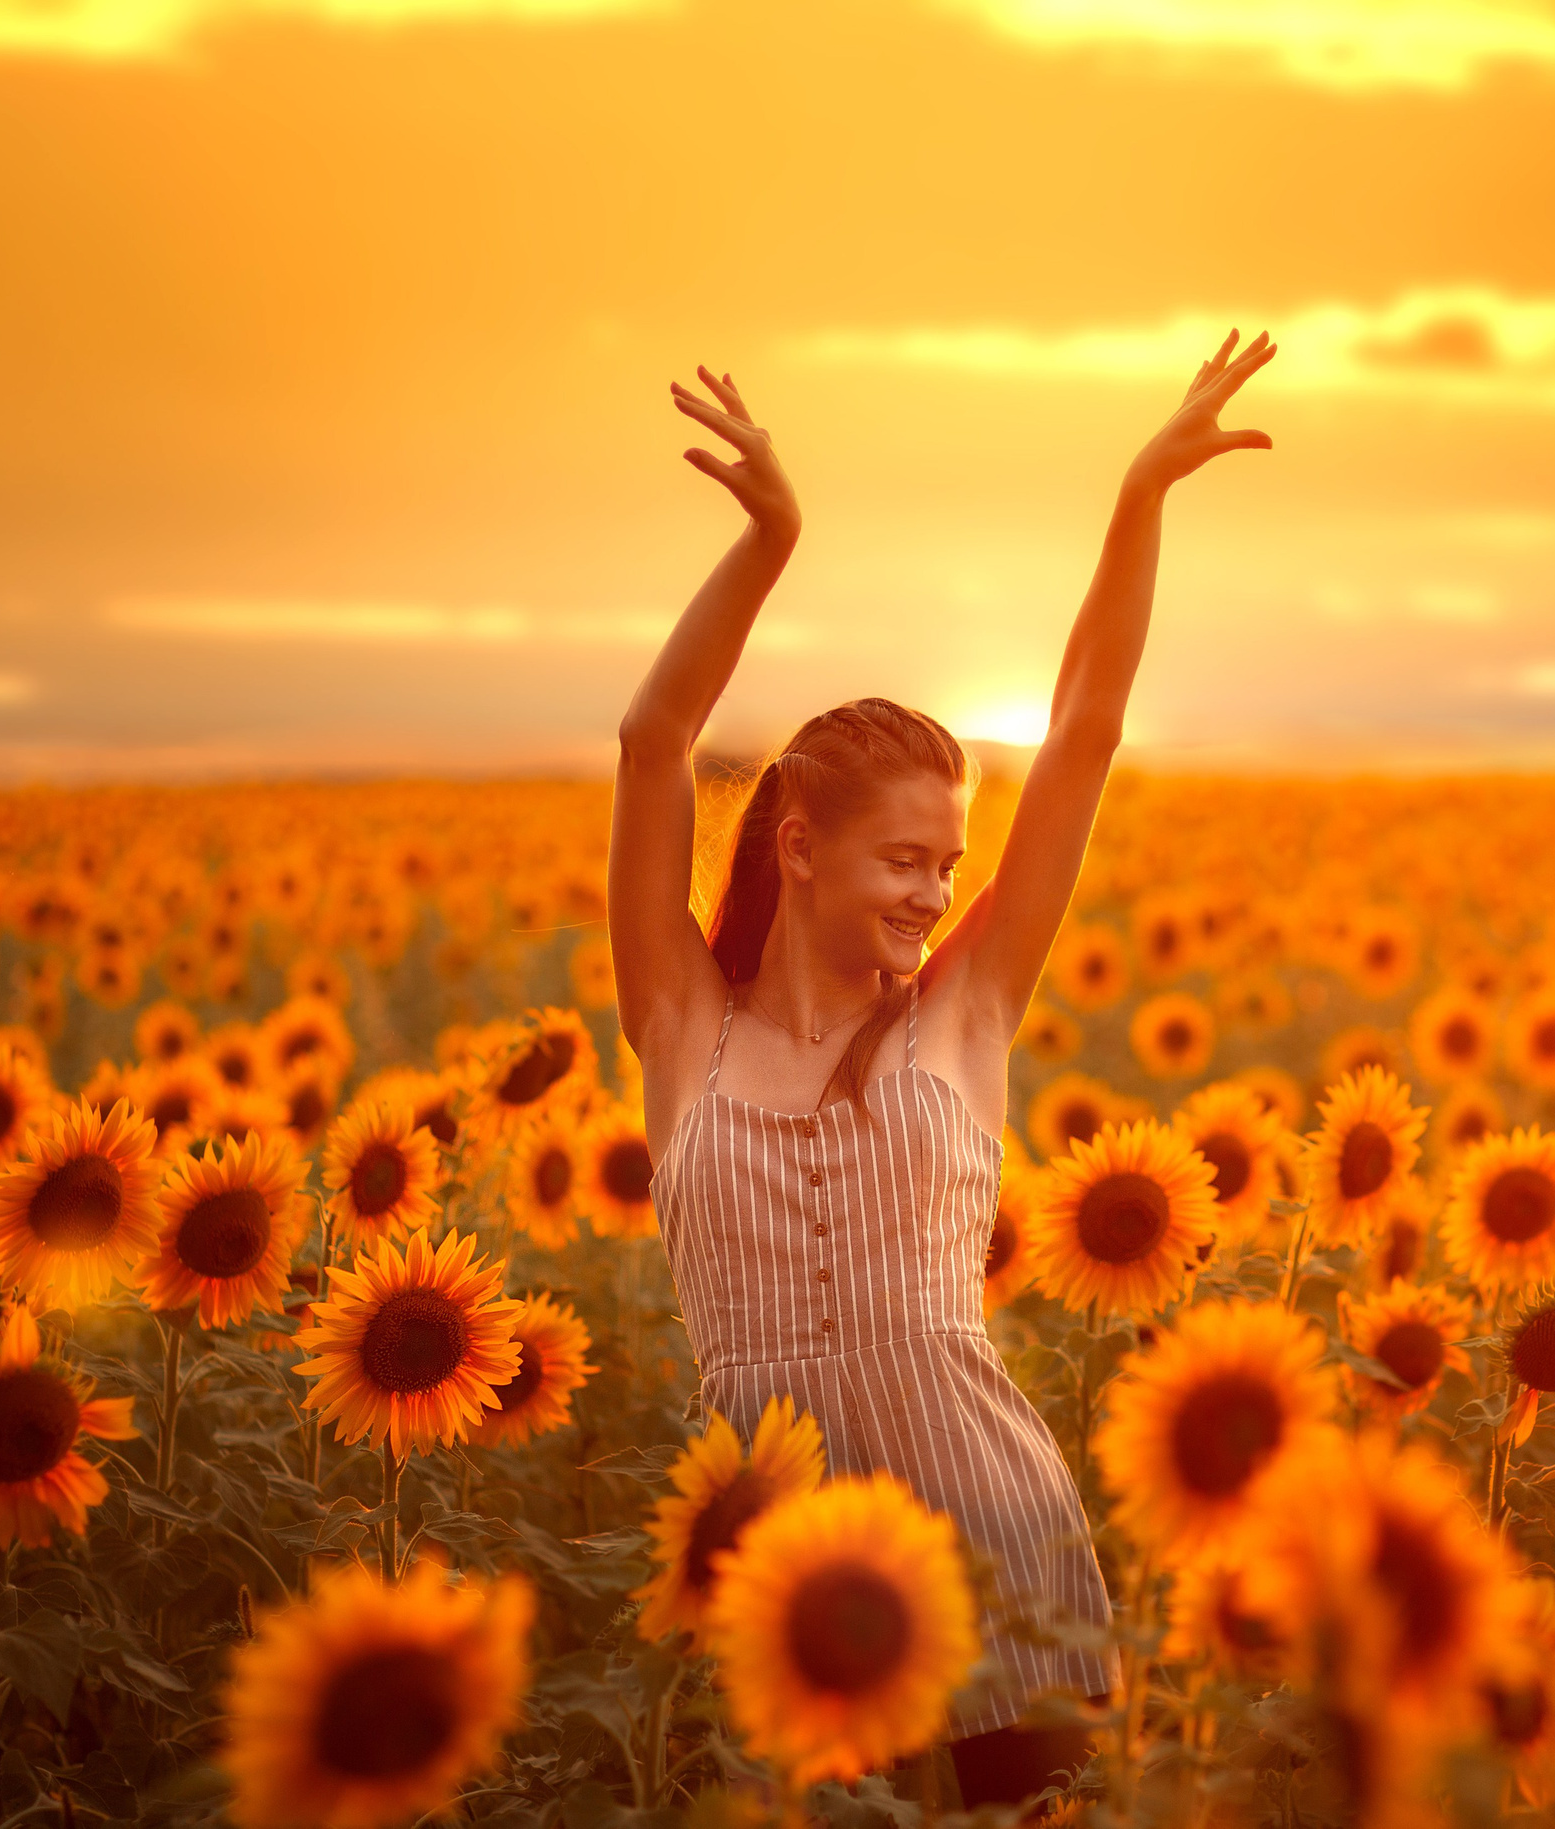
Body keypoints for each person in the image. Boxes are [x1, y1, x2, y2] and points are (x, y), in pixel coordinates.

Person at [609, 328, 1277, 1814]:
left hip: (995, 1548)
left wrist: (1139, 497)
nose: (932, 892)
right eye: (904, 859)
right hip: (785, 1585)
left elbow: (1087, 733)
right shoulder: (684, 1024)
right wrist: (772, 540)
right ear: (798, 846)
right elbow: (654, 742)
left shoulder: (961, 1013)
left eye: (949, 864)